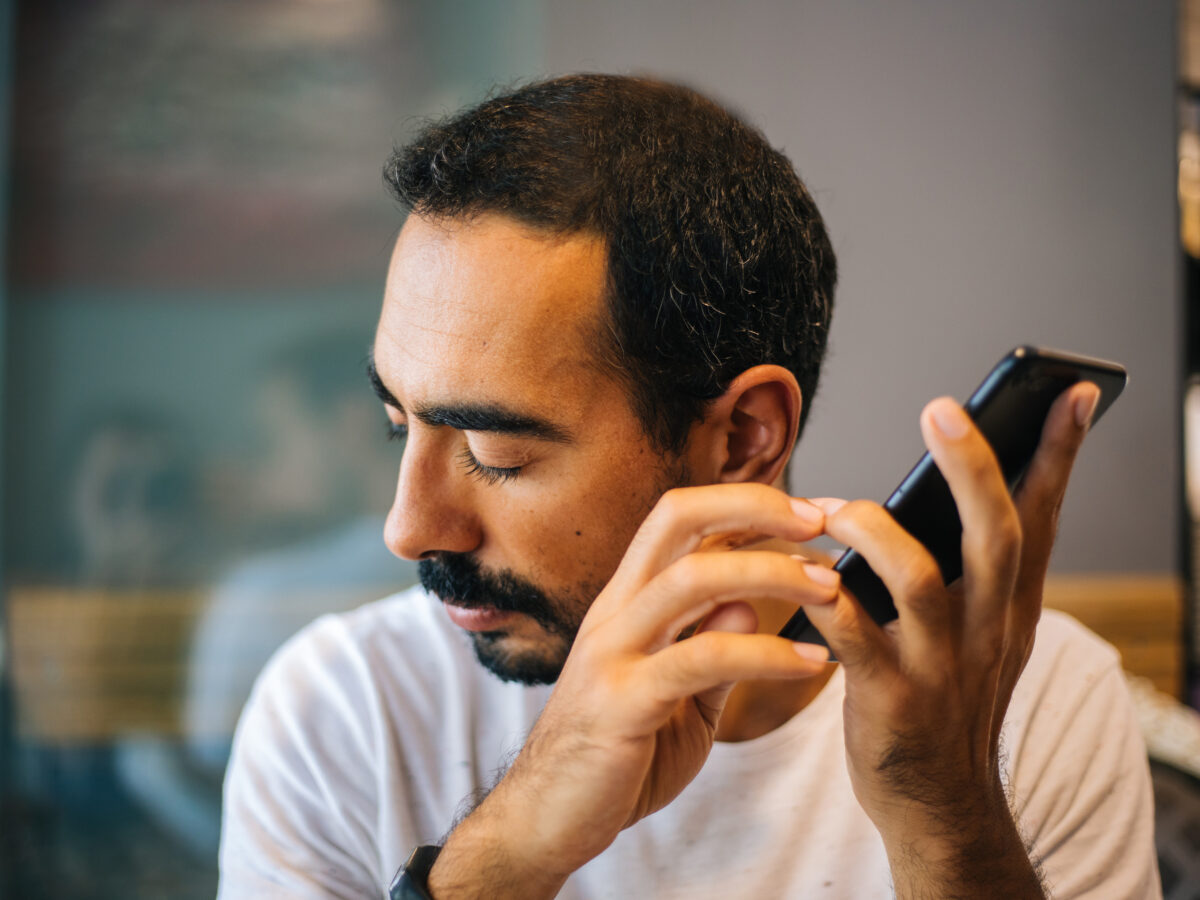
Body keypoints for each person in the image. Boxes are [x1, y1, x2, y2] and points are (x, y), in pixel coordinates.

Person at [218, 74, 1159, 898]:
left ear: (744, 437)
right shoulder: (343, 709)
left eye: (498, 451)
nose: (409, 527)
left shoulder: (1037, 706)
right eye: (400, 425)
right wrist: (505, 857)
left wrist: (944, 812)